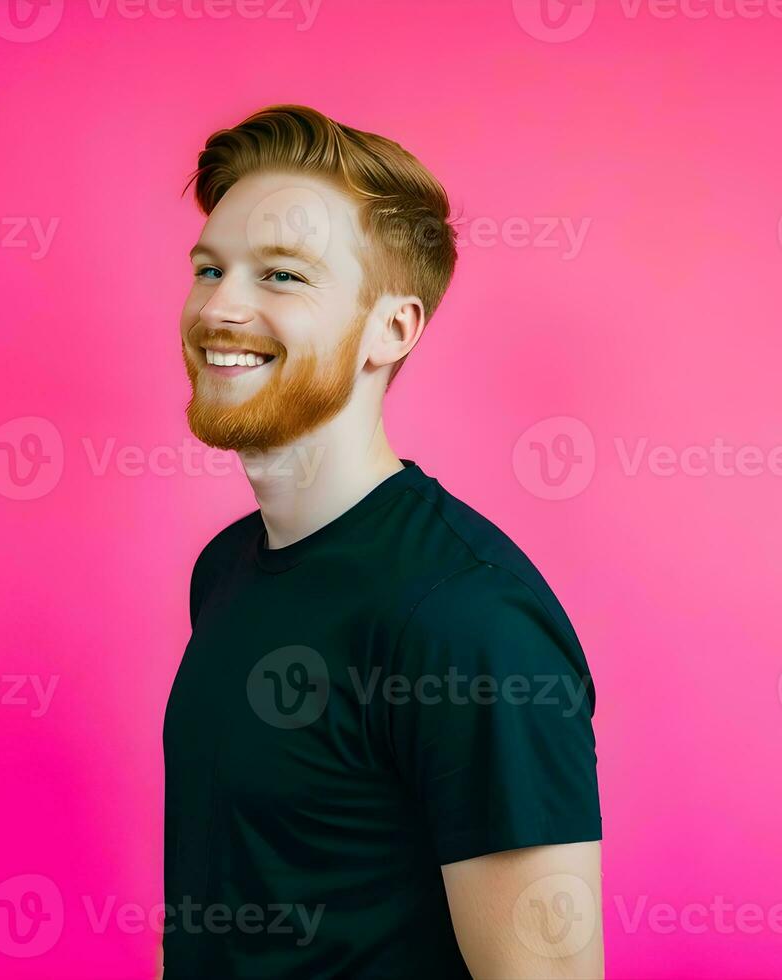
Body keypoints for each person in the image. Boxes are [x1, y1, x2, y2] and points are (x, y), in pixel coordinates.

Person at [163, 104, 603, 978]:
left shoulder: (469, 620)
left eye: (282, 277)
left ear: (391, 329)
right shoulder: (225, 569)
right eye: (211, 268)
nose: (220, 306)